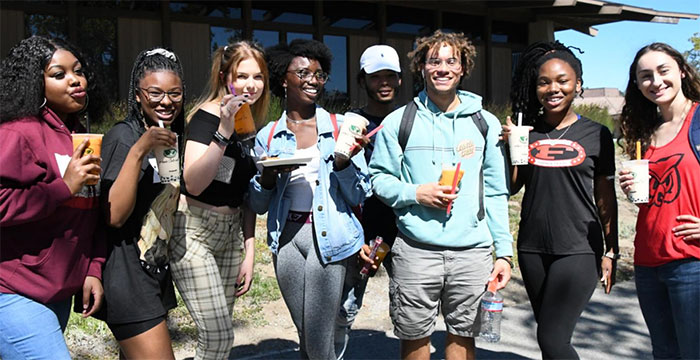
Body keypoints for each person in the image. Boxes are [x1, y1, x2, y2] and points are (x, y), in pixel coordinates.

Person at [369, 30, 513, 360]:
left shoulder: (485, 123)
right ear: (422, 67)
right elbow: (378, 179)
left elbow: (494, 191)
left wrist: (503, 252)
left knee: (463, 340)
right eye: (434, 60)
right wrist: (415, 192)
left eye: (452, 61)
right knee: (414, 340)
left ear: (463, 68)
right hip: (416, 251)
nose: (443, 68)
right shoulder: (398, 122)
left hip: (472, 253)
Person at [248, 39, 371, 359]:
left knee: (317, 341)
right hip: (286, 240)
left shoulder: (341, 126)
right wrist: (268, 175)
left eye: (319, 74)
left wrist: (343, 164)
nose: (313, 80)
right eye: (303, 72)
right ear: (282, 79)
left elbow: (359, 193)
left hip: (329, 237)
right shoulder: (268, 135)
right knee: (307, 335)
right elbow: (259, 205)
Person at [503, 41, 619, 359]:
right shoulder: (528, 132)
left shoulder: (597, 134)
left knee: (552, 339)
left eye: (562, 80)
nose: (553, 88)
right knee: (550, 339)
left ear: (577, 84)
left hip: (579, 248)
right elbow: (513, 187)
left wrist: (612, 250)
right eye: (544, 81)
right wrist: (513, 147)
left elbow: (605, 195)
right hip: (532, 248)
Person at [0, 35, 107, 359]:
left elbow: (91, 211)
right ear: (36, 83)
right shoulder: (17, 132)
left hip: (57, 290)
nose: (75, 80)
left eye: (78, 70)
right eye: (58, 74)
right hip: (14, 290)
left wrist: (93, 268)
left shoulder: (79, 134)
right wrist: (63, 186)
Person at [170, 40, 269, 360]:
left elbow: (246, 194)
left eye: (258, 77)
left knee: (218, 336)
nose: (250, 85)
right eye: (241, 76)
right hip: (194, 231)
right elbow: (193, 184)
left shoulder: (250, 122)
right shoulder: (207, 117)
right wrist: (224, 130)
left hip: (230, 235)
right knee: (219, 336)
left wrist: (250, 250)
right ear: (225, 76)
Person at [99, 47, 185, 359]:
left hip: (154, 272)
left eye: (174, 93)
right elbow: (114, 216)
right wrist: (139, 150)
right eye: (155, 93)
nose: (166, 101)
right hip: (127, 277)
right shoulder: (123, 137)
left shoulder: (169, 135)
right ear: (137, 95)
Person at [618, 42, 700, 359]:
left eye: (663, 71)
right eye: (645, 76)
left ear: (681, 70)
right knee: (664, 352)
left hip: (691, 261)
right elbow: (664, 196)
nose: (656, 81)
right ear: (637, 85)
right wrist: (634, 190)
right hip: (648, 261)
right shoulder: (646, 132)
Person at [335, 44, 403, 359]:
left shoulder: (413, 119)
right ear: (363, 80)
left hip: (405, 229)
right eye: (377, 77)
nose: (384, 82)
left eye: (391, 75)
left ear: (401, 79)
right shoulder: (351, 123)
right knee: (345, 309)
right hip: (364, 232)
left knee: (410, 312)